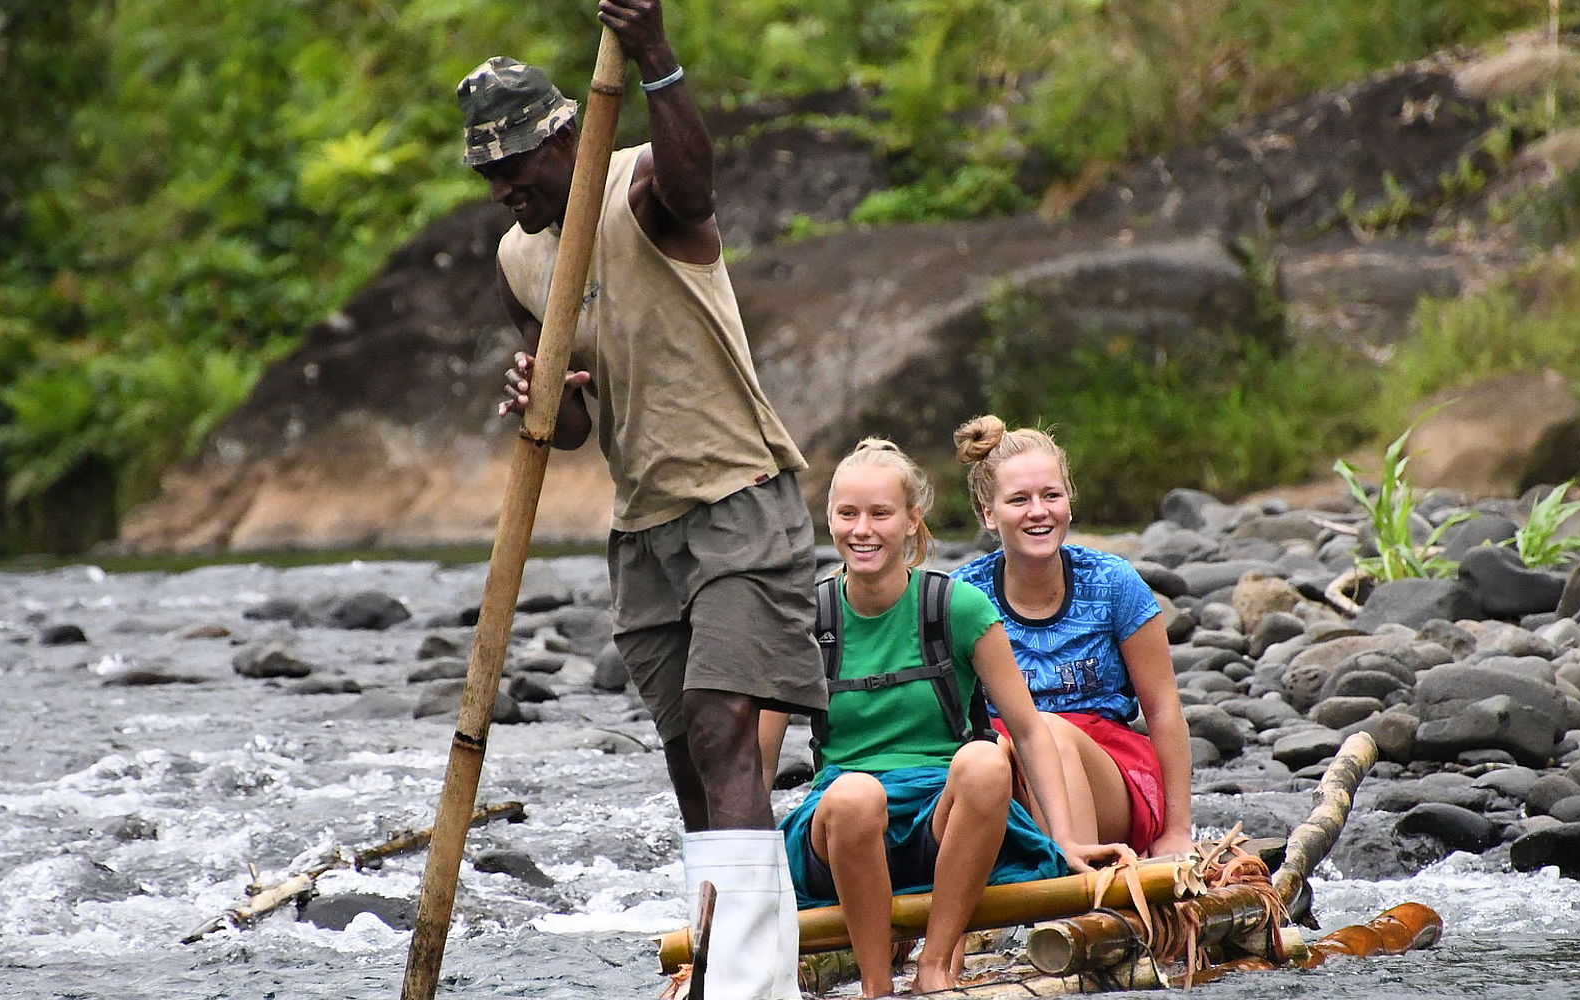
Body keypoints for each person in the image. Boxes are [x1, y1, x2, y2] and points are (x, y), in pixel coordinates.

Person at [458, 4, 820, 997]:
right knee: (685, 761)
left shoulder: (637, 187)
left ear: (560, 140)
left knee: (720, 727)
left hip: (737, 498)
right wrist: (535, 402)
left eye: (510, 171)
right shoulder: (520, 261)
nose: (499, 194)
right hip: (643, 529)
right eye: (483, 178)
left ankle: (755, 986)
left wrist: (656, 55)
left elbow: (697, 186)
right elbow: (572, 428)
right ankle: (727, 962)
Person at [779, 439, 1132, 997]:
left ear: (912, 520)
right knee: (855, 796)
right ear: (830, 520)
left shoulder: (957, 608)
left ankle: (936, 966)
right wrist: (738, 867)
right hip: (838, 827)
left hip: (940, 823)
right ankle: (877, 985)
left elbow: (1029, 730)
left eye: (880, 514)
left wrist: (1064, 837)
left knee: (985, 759)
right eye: (848, 514)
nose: (862, 529)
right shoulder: (804, 619)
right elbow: (751, 761)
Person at [949, 415, 1197, 859]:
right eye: (1019, 500)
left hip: (1108, 771)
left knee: (1047, 731)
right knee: (987, 756)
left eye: (1051, 495)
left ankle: (1078, 898)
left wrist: (1177, 830)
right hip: (1008, 779)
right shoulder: (963, 598)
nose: (1038, 511)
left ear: (1069, 500)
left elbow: (1163, 708)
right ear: (989, 513)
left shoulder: (1114, 583)